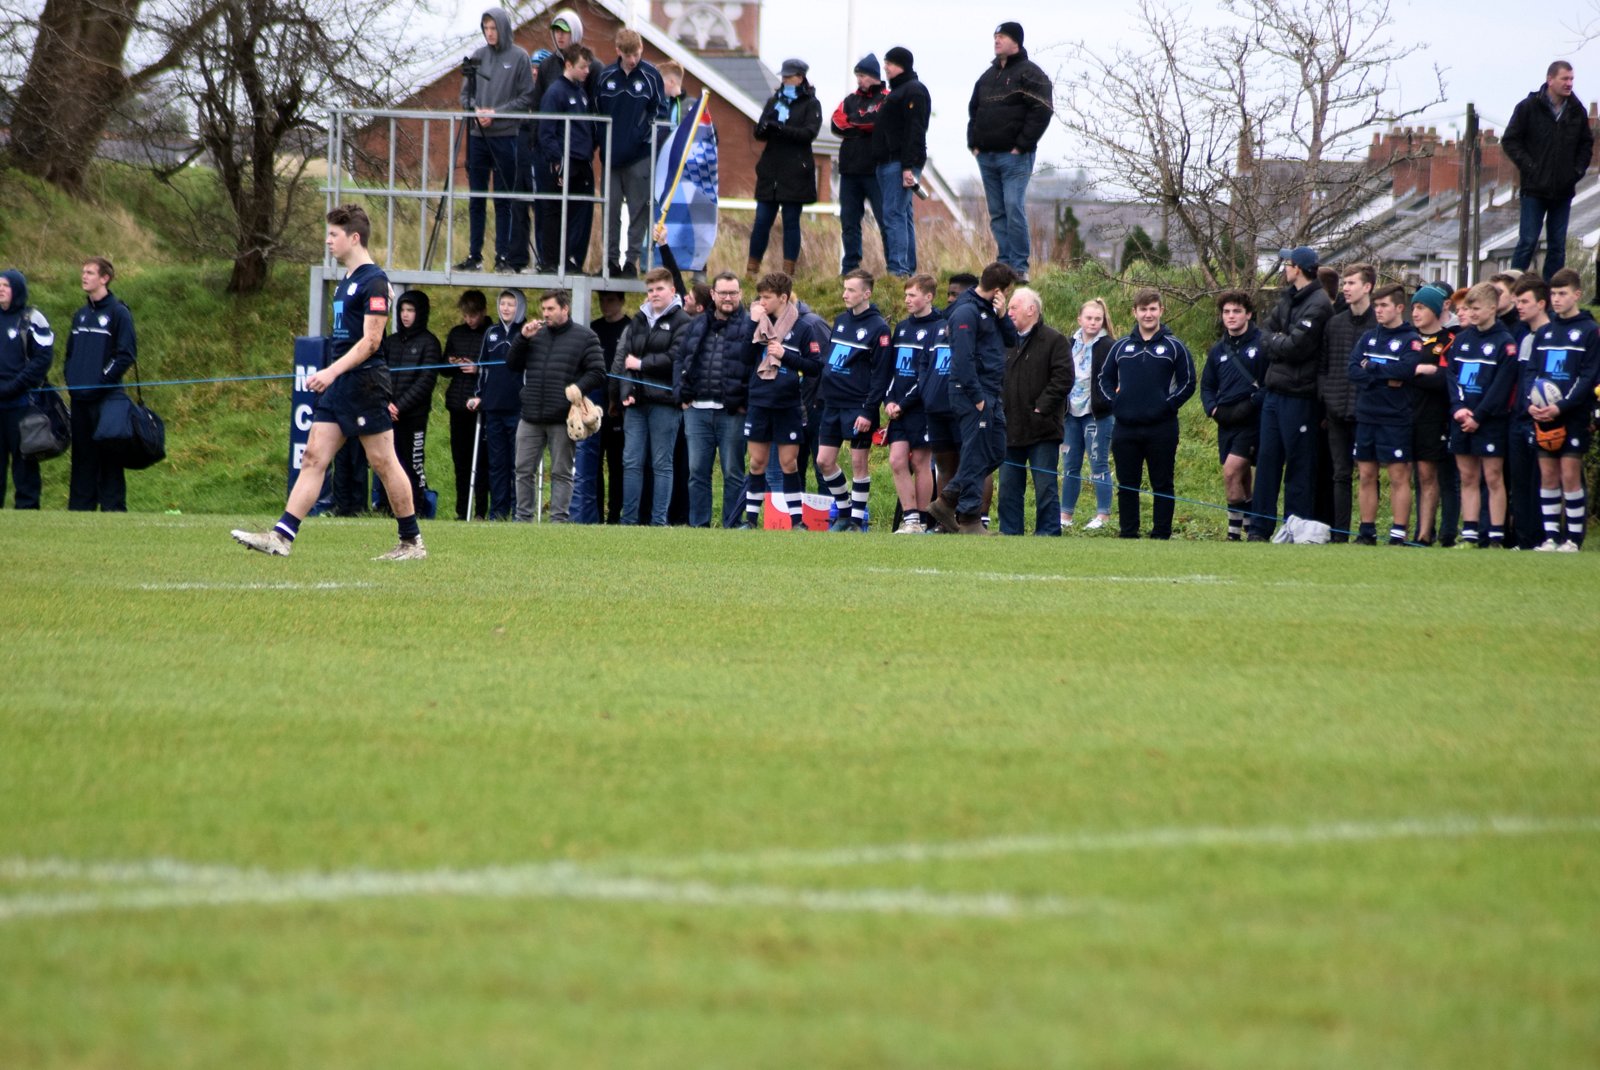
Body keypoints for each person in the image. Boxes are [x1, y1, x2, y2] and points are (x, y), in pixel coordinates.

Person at [233, 205, 424, 559]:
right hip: (341, 386)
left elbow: (371, 342)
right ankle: (281, 536)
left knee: (383, 462)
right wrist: (334, 375)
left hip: (365, 383)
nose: (328, 240)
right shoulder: (345, 284)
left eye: (334, 234)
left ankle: (412, 542)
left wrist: (332, 371)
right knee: (313, 457)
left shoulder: (374, 281)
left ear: (354, 238)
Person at [1249, 245, 1333, 539]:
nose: (1284, 268)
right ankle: (1259, 529)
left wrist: (1278, 342)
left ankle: (1295, 529)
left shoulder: (1319, 303)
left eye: (1287, 264)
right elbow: (1264, 334)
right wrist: (1278, 341)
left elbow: (1297, 347)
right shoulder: (1288, 297)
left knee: (1299, 466)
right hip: (1274, 392)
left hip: (1300, 395)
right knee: (1267, 462)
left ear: (1298, 268)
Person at [1099, 288, 1195, 540]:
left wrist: (1167, 405)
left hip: (1162, 427)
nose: (1148, 314)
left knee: (1162, 483)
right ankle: (1128, 532)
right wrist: (1116, 403)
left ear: (1161, 310)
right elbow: (1104, 380)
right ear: (1135, 312)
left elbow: (1188, 382)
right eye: (1143, 309)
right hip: (1125, 427)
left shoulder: (1175, 346)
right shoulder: (1121, 346)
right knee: (1127, 484)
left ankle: (1161, 533)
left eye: (1153, 309)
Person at [928, 261, 1016, 535]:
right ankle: (969, 518)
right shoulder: (966, 312)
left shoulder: (989, 311)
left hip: (991, 391)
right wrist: (977, 397)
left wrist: (1003, 315)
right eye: (1007, 291)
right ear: (999, 289)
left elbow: (1012, 340)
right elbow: (962, 360)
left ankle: (948, 499)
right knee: (975, 452)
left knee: (995, 451)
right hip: (972, 394)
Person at [506, 289, 605, 523]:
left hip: (562, 417)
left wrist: (578, 388)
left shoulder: (585, 337)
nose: (545, 314)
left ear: (565, 309)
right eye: (543, 309)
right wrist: (522, 338)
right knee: (523, 469)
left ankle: (558, 521)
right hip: (530, 415)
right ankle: (523, 519)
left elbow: (598, 372)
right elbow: (512, 364)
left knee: (561, 472)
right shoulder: (535, 335)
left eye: (551, 309)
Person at [967, 22, 1053, 282]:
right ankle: (1003, 265)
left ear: (1015, 41)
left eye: (1002, 36)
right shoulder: (987, 76)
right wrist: (974, 144)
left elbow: (1042, 110)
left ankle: (1019, 266)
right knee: (997, 212)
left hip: (1014, 157)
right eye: (995, 36)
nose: (996, 40)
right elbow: (974, 110)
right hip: (987, 156)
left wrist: (1022, 145)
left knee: (1013, 207)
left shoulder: (1030, 73)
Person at [739, 271, 825, 529]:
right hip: (759, 402)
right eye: (760, 297)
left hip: (788, 404)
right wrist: (751, 324)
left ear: (783, 298)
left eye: (767, 297)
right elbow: (744, 358)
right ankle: (750, 520)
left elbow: (815, 367)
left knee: (789, 463)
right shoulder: (756, 323)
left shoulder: (804, 328)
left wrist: (785, 355)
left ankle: (797, 521)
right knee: (757, 462)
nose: (761, 302)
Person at [1522, 269, 1600, 550]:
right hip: (1544, 414)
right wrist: (1532, 403)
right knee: (1548, 474)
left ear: (1577, 295)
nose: (1556, 299)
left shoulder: (1589, 331)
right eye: (1553, 293)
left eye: (1562, 293)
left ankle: (1574, 539)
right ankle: (1551, 537)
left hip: (1572, 413)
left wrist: (1561, 406)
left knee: (1569, 474)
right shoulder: (1545, 332)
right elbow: (1532, 371)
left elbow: (1589, 376)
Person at [457, 8, 534, 273]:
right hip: (477, 136)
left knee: (503, 199)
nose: (490, 33)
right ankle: (474, 255)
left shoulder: (520, 57)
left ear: (503, 28)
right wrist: (476, 111)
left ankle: (502, 256)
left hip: (505, 137)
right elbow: (465, 95)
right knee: (476, 197)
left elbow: (526, 97)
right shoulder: (478, 56)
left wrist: (497, 113)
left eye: (493, 28)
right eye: (486, 28)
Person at [1348, 283, 1425, 545]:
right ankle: (1366, 531)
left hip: (1395, 417)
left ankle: (1398, 534)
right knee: (1366, 474)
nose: (1378, 310)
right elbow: (1352, 370)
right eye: (1376, 305)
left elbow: (1405, 371)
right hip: (1367, 414)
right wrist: (1382, 377)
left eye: (1383, 305)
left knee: (1398, 476)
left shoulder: (1411, 340)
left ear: (1399, 308)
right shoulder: (1368, 337)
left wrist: (1370, 368)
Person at [1503, 62, 1595, 280]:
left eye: (1571, 79)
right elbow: (1510, 140)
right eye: (1565, 79)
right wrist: (1530, 167)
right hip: (1533, 189)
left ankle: (1552, 293)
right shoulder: (1528, 107)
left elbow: (1586, 145)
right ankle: (1511, 286)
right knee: (1527, 241)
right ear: (1550, 79)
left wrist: (1575, 172)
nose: (1569, 83)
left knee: (1557, 246)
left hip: (1563, 190)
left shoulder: (1576, 111)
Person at [1445, 282, 1519, 548]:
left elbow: (1501, 386)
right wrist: (1458, 408)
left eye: (1476, 308)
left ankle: (1496, 535)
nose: (1471, 313)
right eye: (1468, 308)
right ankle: (1470, 534)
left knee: (1493, 476)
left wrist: (1478, 416)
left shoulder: (1505, 342)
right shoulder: (1462, 340)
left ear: (1492, 308)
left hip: (1489, 421)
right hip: (1461, 418)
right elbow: (1452, 376)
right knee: (1467, 476)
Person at [816, 269, 892, 531]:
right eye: (844, 288)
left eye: (851, 290)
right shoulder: (840, 320)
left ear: (866, 293)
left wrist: (869, 411)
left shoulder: (879, 328)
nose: (844, 294)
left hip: (858, 406)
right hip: (832, 405)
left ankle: (857, 523)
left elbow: (881, 375)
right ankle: (845, 513)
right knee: (824, 461)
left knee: (859, 463)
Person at [615, 267, 691, 525]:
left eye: (659, 289)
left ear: (672, 290)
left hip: (665, 402)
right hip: (636, 403)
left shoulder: (683, 321)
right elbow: (625, 361)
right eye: (650, 290)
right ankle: (628, 520)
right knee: (631, 461)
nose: (654, 294)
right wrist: (626, 391)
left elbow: (676, 358)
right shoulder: (638, 319)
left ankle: (659, 521)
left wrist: (642, 364)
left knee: (661, 463)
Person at [674, 271, 750, 528]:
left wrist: (745, 402)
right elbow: (679, 359)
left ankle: (732, 524)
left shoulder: (750, 326)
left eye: (733, 293)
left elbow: (756, 367)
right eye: (723, 293)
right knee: (697, 472)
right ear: (713, 295)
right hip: (696, 411)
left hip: (733, 413)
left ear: (740, 294)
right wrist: (680, 394)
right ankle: (699, 525)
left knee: (733, 472)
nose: (728, 298)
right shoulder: (696, 324)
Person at [997, 286, 1072, 535]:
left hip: (1043, 429)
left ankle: (1048, 533)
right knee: (1008, 487)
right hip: (1009, 427)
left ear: (1031, 310)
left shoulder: (1054, 340)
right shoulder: (1004, 341)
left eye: (1013, 307)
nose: (1009, 312)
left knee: (1045, 487)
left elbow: (1063, 379)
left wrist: (1041, 408)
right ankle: (1010, 533)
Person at [64, 256, 136, 512]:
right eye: (83, 272)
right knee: (82, 458)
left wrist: (101, 381)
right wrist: (72, 380)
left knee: (109, 457)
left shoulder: (119, 312)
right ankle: (79, 510)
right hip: (80, 399)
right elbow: (70, 354)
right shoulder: (81, 315)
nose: (84, 276)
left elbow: (126, 354)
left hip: (106, 399)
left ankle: (112, 510)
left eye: (90, 272)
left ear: (105, 278)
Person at [597, 30, 664, 278]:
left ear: (641, 49)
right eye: (628, 55)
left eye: (636, 54)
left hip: (639, 158)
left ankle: (631, 262)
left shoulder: (651, 75)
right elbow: (597, 114)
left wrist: (641, 137)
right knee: (610, 211)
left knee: (638, 211)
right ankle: (610, 261)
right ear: (618, 51)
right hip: (611, 159)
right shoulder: (606, 77)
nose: (633, 60)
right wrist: (603, 144)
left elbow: (660, 113)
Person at [747, 59, 821, 278]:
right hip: (771, 171)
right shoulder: (774, 101)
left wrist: (781, 129)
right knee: (761, 221)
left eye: (789, 77)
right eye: (784, 77)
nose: (785, 80)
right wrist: (763, 127)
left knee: (791, 222)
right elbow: (760, 133)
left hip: (795, 172)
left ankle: (788, 271)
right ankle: (751, 270)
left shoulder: (811, 104)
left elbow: (809, 133)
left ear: (800, 78)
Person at [1200, 291, 1264, 541]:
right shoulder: (1219, 349)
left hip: (1252, 421)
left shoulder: (1262, 343)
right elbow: (1207, 385)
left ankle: (1233, 534)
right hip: (1225, 420)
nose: (1231, 316)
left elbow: (1270, 382)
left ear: (1248, 314)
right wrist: (1213, 409)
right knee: (1242, 478)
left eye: (1236, 311)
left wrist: (1251, 404)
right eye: (1226, 312)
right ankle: (1250, 528)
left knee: (1230, 472)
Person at [1319, 263, 1375, 542]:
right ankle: (1340, 534)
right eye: (1345, 283)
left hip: (1368, 412)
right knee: (1340, 474)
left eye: (1352, 283)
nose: (1346, 288)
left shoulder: (1378, 325)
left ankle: (1367, 531)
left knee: (1368, 473)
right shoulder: (1335, 323)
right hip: (1337, 409)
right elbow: (1324, 366)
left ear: (1368, 287)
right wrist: (1327, 398)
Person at [372, 290, 439, 517]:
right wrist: (387, 403)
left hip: (414, 417)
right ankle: (387, 507)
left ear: (420, 313)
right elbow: (380, 374)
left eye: (410, 310)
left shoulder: (430, 343)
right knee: (388, 461)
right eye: (402, 310)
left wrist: (399, 406)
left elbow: (425, 381)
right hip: (388, 415)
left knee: (414, 463)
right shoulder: (391, 342)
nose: (405, 315)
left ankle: (416, 508)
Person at [886, 274, 944, 533]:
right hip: (898, 409)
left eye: (912, 295)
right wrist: (889, 400)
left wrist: (905, 403)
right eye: (905, 295)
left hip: (921, 408)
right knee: (897, 460)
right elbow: (892, 369)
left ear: (928, 297)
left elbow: (928, 375)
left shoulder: (939, 328)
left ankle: (920, 520)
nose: (907, 300)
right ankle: (909, 518)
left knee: (921, 462)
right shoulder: (901, 328)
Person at [537, 45, 597, 275]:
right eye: (582, 67)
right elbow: (546, 131)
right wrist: (558, 160)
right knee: (555, 212)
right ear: (569, 65)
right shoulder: (555, 92)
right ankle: (551, 262)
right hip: (565, 162)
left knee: (581, 213)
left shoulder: (581, 93)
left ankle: (573, 261)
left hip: (582, 162)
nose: (587, 71)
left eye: (588, 67)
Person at [469, 287, 527, 520]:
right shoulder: (491, 333)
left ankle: (517, 511)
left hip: (518, 407)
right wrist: (478, 394)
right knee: (496, 463)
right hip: (493, 407)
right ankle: (498, 512)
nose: (506, 308)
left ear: (520, 307)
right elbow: (483, 368)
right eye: (503, 303)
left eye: (511, 304)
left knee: (517, 463)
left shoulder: (525, 332)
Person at [873, 47, 931, 278]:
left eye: (889, 63)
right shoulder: (896, 92)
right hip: (890, 162)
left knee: (894, 214)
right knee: (902, 215)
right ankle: (906, 268)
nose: (885, 67)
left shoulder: (913, 91)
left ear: (901, 65)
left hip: (898, 163)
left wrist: (908, 166)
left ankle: (898, 270)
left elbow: (915, 130)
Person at [1407, 284, 1457, 546]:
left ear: (1436, 310)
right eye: (1414, 307)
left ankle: (1425, 533)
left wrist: (1415, 373)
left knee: (1428, 474)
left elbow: (1445, 378)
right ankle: (1400, 530)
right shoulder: (1407, 337)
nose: (1415, 313)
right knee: (1404, 474)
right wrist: (1419, 370)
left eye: (1422, 307)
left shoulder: (1449, 340)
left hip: (1433, 416)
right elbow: (1394, 370)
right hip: (1404, 414)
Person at [831, 54, 889, 275]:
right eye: (858, 75)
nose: (859, 80)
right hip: (849, 171)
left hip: (875, 172)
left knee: (885, 222)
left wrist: (854, 122)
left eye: (862, 75)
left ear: (874, 76)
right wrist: (860, 122)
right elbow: (836, 123)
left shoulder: (886, 98)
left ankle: (893, 268)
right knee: (849, 223)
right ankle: (850, 269)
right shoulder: (849, 100)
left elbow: (877, 122)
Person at [1060, 298, 1115, 532]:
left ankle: (1103, 515)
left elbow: (1117, 379)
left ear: (1103, 321)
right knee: (1070, 464)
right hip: (1070, 412)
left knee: (1098, 463)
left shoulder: (1109, 345)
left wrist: (1109, 400)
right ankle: (1065, 515)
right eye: (1089, 318)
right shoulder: (1069, 343)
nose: (1093, 322)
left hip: (1097, 413)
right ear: (1079, 319)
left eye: (1097, 319)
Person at [0, 269, 53, 509]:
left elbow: (42, 359)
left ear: (17, 290)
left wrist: (15, 385)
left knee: (24, 462)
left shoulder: (32, 318)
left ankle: (28, 508)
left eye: (6, 285)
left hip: (21, 404)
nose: (1, 289)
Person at [577, 290, 629, 523]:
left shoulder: (629, 327)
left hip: (618, 408)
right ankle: (595, 513)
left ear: (621, 301)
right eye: (601, 300)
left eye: (610, 300)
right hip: (593, 407)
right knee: (593, 462)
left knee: (618, 465)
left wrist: (618, 399)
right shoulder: (593, 329)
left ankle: (615, 514)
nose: (605, 305)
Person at [442, 290, 490, 520]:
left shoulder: (491, 333)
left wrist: (477, 368)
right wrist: (452, 363)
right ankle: (462, 511)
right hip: (457, 405)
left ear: (483, 312)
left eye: (473, 315)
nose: (469, 320)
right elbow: (443, 368)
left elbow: (499, 368)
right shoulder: (456, 333)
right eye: (465, 315)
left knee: (480, 462)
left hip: (480, 408)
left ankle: (480, 510)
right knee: (460, 461)